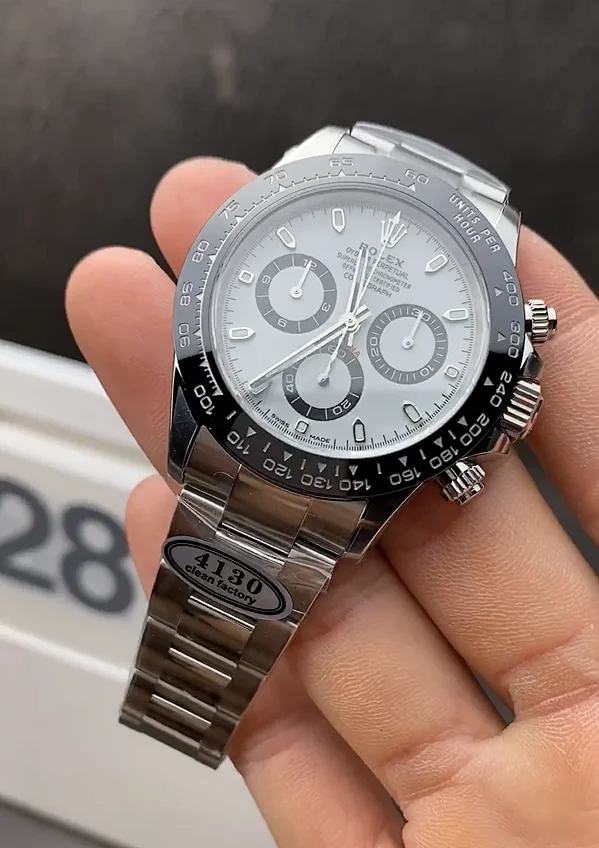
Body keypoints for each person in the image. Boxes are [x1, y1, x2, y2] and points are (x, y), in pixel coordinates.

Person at [66, 157, 599, 847]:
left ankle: (167, 735)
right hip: (239, 422)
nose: (351, 321)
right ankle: (166, 721)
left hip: (341, 480)